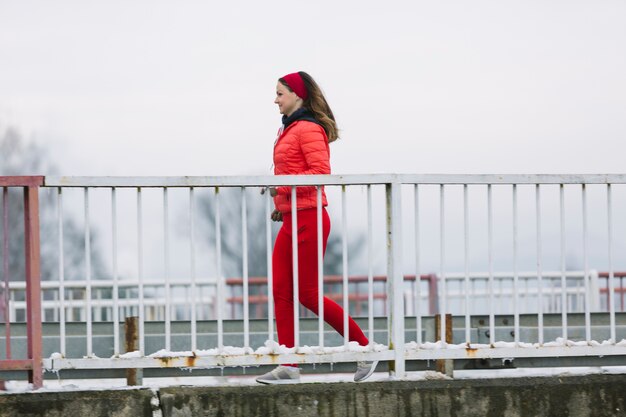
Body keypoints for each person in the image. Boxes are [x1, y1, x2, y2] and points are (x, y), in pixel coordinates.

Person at [256, 71, 377, 384]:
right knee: (281, 290)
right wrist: (280, 203)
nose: (275, 99)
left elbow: (319, 172)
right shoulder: (290, 128)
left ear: (297, 95)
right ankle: (289, 364)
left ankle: (365, 348)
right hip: (292, 217)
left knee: (307, 294)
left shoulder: (308, 128)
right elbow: (296, 174)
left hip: (309, 217)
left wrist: (281, 187)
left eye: (280, 93)